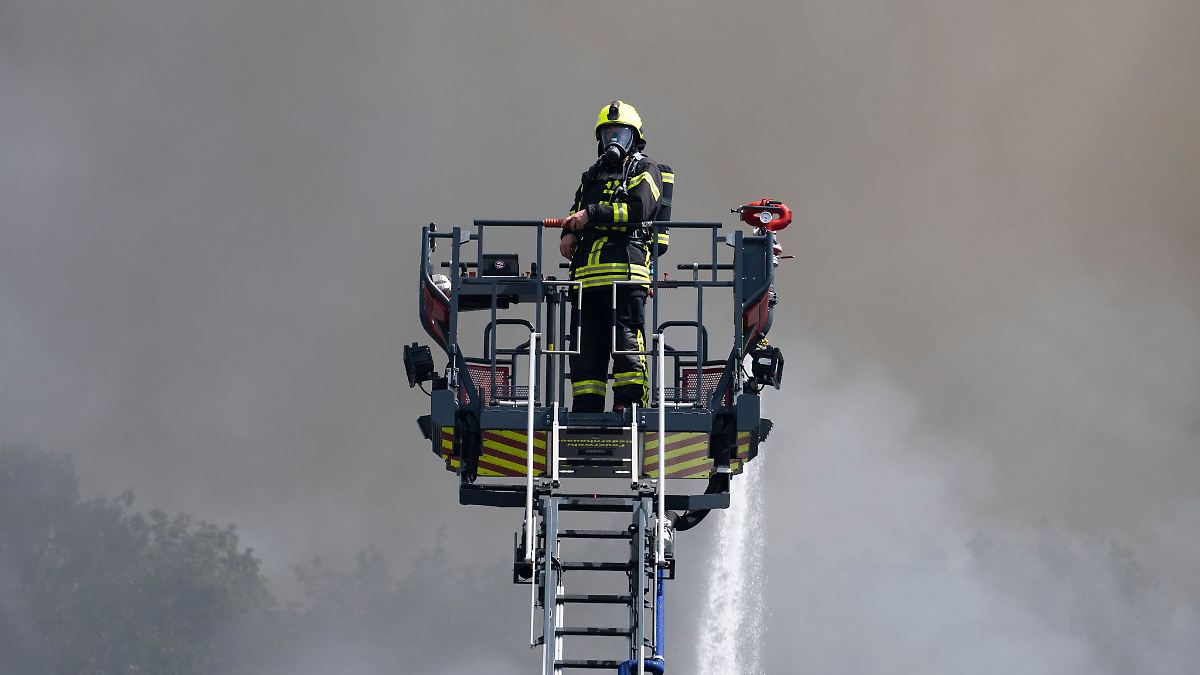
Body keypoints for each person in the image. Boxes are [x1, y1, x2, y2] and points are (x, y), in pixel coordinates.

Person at [557, 100, 669, 413]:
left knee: (626, 345)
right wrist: (567, 232)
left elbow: (638, 210)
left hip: (626, 276)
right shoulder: (592, 176)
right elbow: (575, 211)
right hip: (585, 282)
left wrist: (591, 214)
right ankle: (586, 408)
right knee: (584, 351)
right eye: (608, 134)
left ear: (635, 138)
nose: (613, 140)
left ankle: (629, 406)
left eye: (620, 133)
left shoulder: (645, 170)